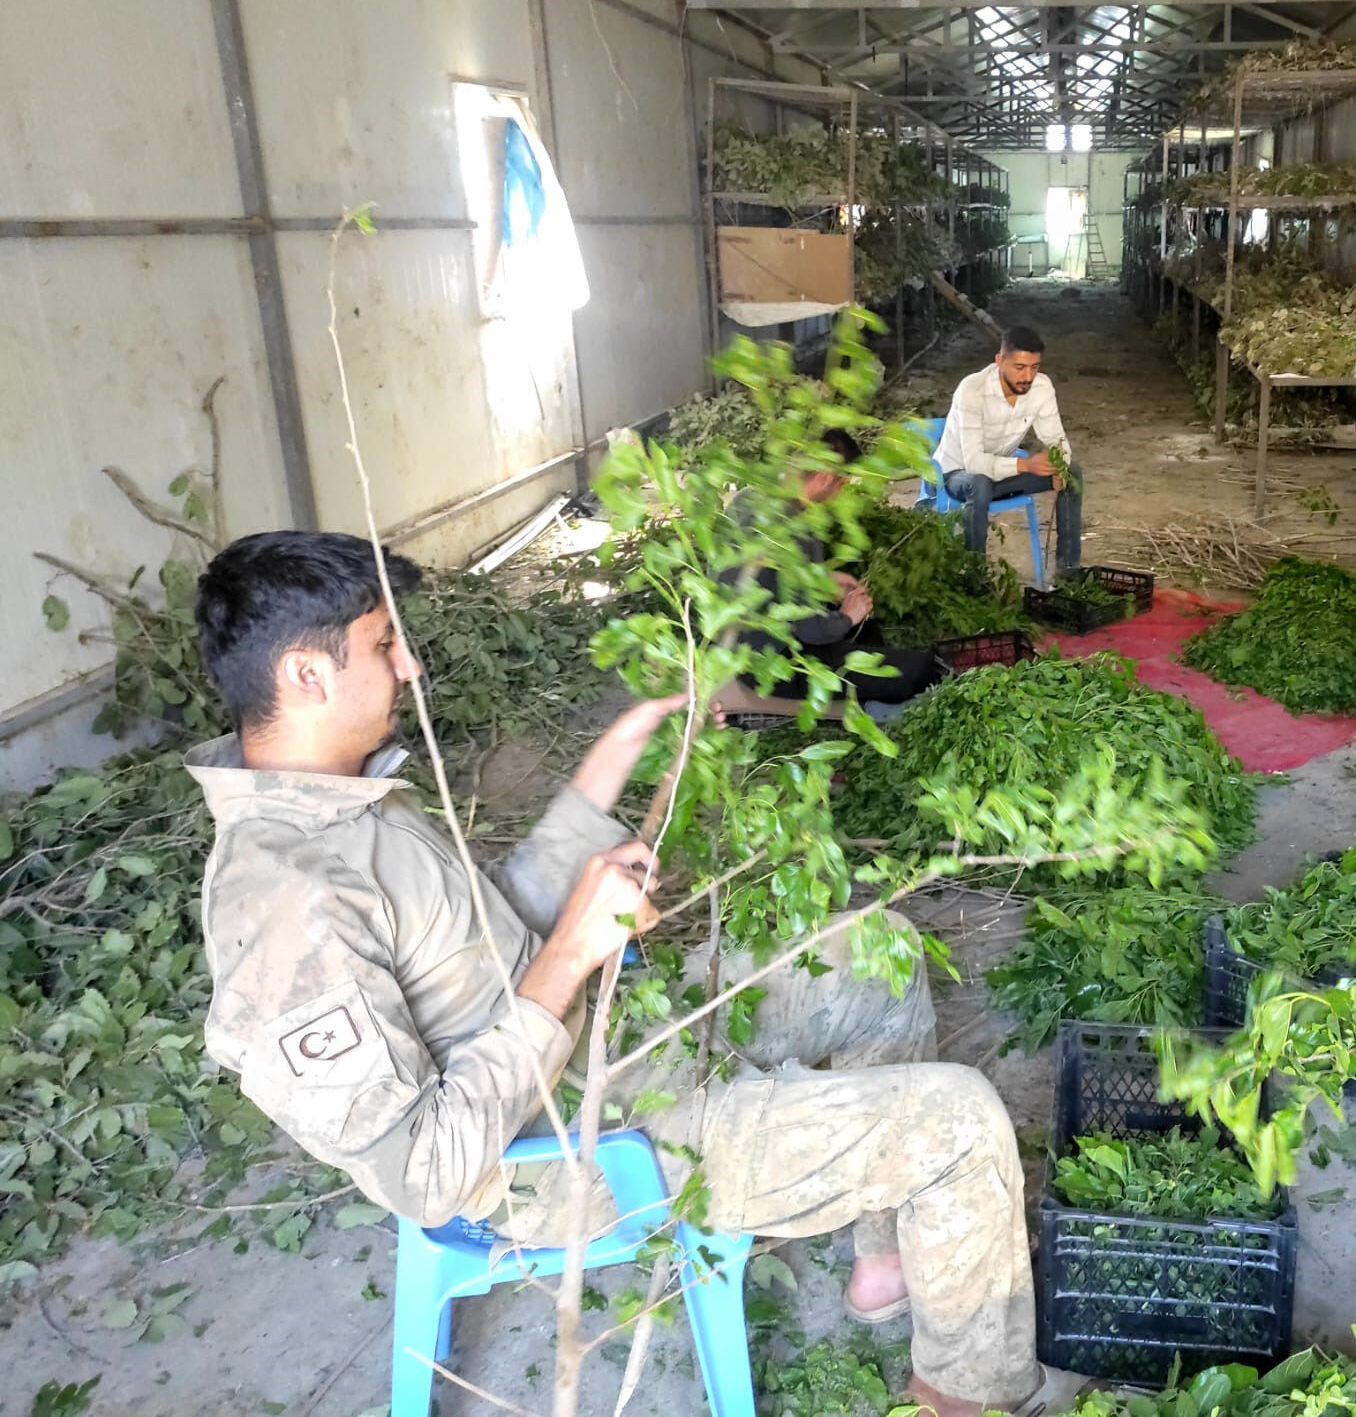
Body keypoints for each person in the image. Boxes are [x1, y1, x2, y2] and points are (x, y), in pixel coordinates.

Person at [187, 531, 1053, 1417]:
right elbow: (424, 1172)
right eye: (382, 643)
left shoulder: (348, 797)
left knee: (884, 949)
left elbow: (496, 916)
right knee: (959, 1122)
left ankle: (883, 1263)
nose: (408, 665)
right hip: (578, 1150)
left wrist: (628, 742)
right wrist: (571, 953)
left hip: (619, 1036)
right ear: (305, 674)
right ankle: (963, 1397)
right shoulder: (284, 903)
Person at [734, 427, 939, 707]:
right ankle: (875, 692)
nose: (840, 493)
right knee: (920, 669)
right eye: (842, 484)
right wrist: (846, 617)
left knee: (866, 629)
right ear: (825, 477)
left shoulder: (746, 497)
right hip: (775, 664)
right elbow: (810, 630)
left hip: (735, 644)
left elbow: (768, 576)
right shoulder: (800, 526)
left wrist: (822, 578)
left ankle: (868, 681)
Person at [934, 323, 1084, 575]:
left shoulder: (1042, 387)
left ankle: (1068, 570)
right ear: (999, 360)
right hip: (959, 477)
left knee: (1073, 471)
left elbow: (1058, 441)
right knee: (980, 483)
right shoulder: (972, 390)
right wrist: (1025, 465)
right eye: (1019, 367)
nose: (1027, 377)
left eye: (1034, 367)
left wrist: (1060, 465)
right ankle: (975, 577)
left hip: (1002, 476)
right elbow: (973, 463)